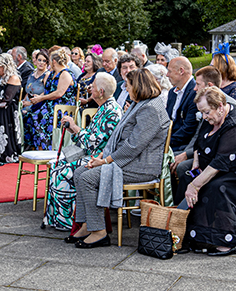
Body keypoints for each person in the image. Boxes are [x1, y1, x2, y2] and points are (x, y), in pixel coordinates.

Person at [67, 68, 170, 248]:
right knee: (79, 172)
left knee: (87, 178)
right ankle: (86, 224)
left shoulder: (151, 109)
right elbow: (119, 137)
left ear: (138, 86)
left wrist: (105, 161)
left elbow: (133, 146)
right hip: (128, 160)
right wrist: (102, 156)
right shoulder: (141, 104)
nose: (126, 89)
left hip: (140, 166)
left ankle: (99, 232)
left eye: (128, 85)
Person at [174, 86, 236, 255]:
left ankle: (226, 241)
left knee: (215, 187)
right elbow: (199, 141)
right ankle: (191, 236)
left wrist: (195, 186)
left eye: (206, 112)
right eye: (201, 113)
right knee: (187, 177)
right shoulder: (212, 116)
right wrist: (196, 161)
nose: (204, 117)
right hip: (222, 164)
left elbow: (221, 162)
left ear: (219, 106)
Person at [43, 73, 123, 231]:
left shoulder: (112, 111)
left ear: (101, 92)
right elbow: (89, 138)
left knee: (62, 173)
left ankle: (68, 221)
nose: (90, 88)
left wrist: (75, 127)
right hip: (90, 154)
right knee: (56, 166)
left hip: (99, 158)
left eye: (93, 86)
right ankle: (56, 218)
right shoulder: (104, 108)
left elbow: (94, 143)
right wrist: (73, 130)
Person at [22, 47, 76, 151]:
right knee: (29, 116)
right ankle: (37, 147)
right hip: (49, 105)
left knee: (37, 117)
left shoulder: (65, 73)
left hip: (61, 108)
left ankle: (46, 147)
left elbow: (59, 93)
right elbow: (48, 91)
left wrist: (41, 98)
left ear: (53, 61)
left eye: (49, 60)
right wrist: (38, 98)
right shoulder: (52, 73)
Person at [166, 56, 198, 149]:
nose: (167, 75)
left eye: (170, 71)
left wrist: (166, 143)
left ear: (181, 71)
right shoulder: (172, 92)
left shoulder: (195, 92)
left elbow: (188, 129)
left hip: (183, 146)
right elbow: (167, 120)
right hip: (169, 140)